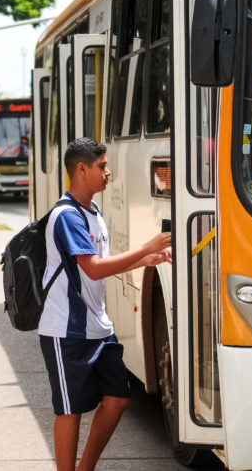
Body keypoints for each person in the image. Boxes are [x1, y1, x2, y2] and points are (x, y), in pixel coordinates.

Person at [39, 137, 171, 471]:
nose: (108, 173)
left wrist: (147, 260)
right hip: (65, 330)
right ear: (81, 169)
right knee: (69, 411)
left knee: (117, 399)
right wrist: (144, 247)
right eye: (102, 166)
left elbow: (101, 265)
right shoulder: (67, 216)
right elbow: (94, 268)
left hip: (98, 327)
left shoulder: (93, 211)